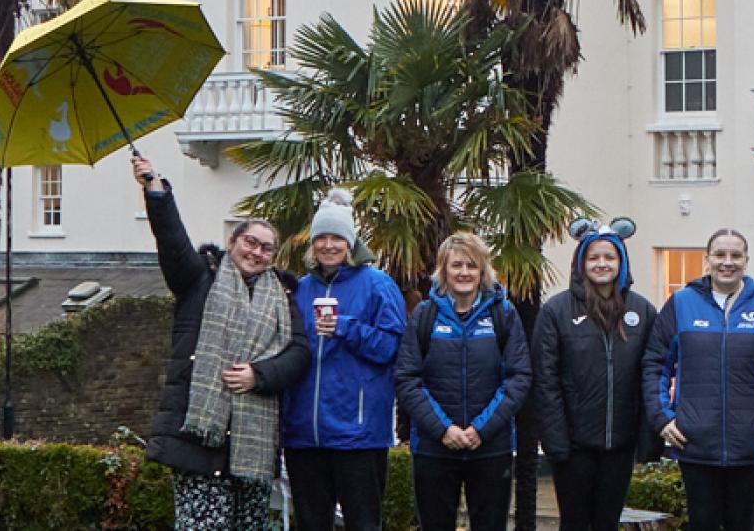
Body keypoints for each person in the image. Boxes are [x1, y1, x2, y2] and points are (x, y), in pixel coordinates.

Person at [133, 154, 311, 530]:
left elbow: (299, 354)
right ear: (233, 241)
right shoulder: (199, 280)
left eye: (266, 248)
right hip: (199, 444)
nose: (257, 252)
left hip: (253, 452)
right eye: (251, 242)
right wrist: (156, 191)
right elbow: (172, 242)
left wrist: (258, 375)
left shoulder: (282, 299)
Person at [643, 229, 754, 531]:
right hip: (695, 444)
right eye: (720, 255)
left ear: (746, 261)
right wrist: (662, 418)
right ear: (707, 260)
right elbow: (655, 366)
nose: (727, 262)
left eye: (735, 255)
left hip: (749, 448)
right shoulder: (680, 304)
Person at [281, 188, 407, 531]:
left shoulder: (378, 285)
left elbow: (391, 349)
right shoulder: (300, 289)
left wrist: (346, 328)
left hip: (359, 432)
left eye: (337, 238)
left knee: (363, 524)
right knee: (310, 523)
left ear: (350, 243)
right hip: (304, 433)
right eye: (321, 238)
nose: (328, 246)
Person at [394, 232, 532, 531]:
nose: (464, 273)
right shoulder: (424, 315)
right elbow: (407, 379)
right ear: (443, 270)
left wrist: (481, 428)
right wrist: (443, 428)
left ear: (483, 270)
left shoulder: (503, 314)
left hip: (490, 447)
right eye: (457, 265)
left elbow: (518, 378)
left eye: (472, 265)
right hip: (434, 447)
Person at [536, 218, 661, 531]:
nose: (602, 264)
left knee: (607, 523)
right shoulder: (557, 311)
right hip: (574, 446)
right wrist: (556, 441)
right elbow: (545, 379)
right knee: (575, 523)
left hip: (620, 444)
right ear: (581, 263)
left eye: (609, 257)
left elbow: (652, 373)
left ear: (621, 262)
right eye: (594, 257)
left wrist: (648, 439)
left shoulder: (642, 311)